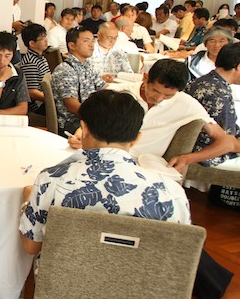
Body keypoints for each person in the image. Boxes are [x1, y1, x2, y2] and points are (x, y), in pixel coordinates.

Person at [19, 89, 191, 256]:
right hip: (142, 276)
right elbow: (180, 255)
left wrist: (27, 202)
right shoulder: (172, 191)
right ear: (137, 138)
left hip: (61, 274)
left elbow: (31, 247)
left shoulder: (51, 180)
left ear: (84, 129)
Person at [101, 59, 235, 174]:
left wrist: (187, 159)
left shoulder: (185, 103)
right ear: (145, 78)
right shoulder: (118, 93)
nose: (158, 98)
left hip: (146, 168)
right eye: (154, 90)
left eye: (168, 95)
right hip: (106, 158)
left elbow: (228, 142)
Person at [186, 43, 240, 171]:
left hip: (197, 142)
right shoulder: (220, 95)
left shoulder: (203, 81)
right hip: (207, 152)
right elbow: (228, 142)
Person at [52, 27, 106, 135]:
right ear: (72, 45)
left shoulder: (87, 65)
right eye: (86, 41)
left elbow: (103, 88)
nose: (91, 45)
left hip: (88, 117)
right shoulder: (65, 69)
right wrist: (98, 117)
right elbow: (72, 105)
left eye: (92, 41)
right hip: (72, 123)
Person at [20, 24, 50, 117]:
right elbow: (32, 92)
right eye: (42, 39)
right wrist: (51, 99)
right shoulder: (30, 62)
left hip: (46, 98)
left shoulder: (41, 58)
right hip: (38, 104)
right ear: (32, 43)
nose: (46, 40)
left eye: (45, 37)